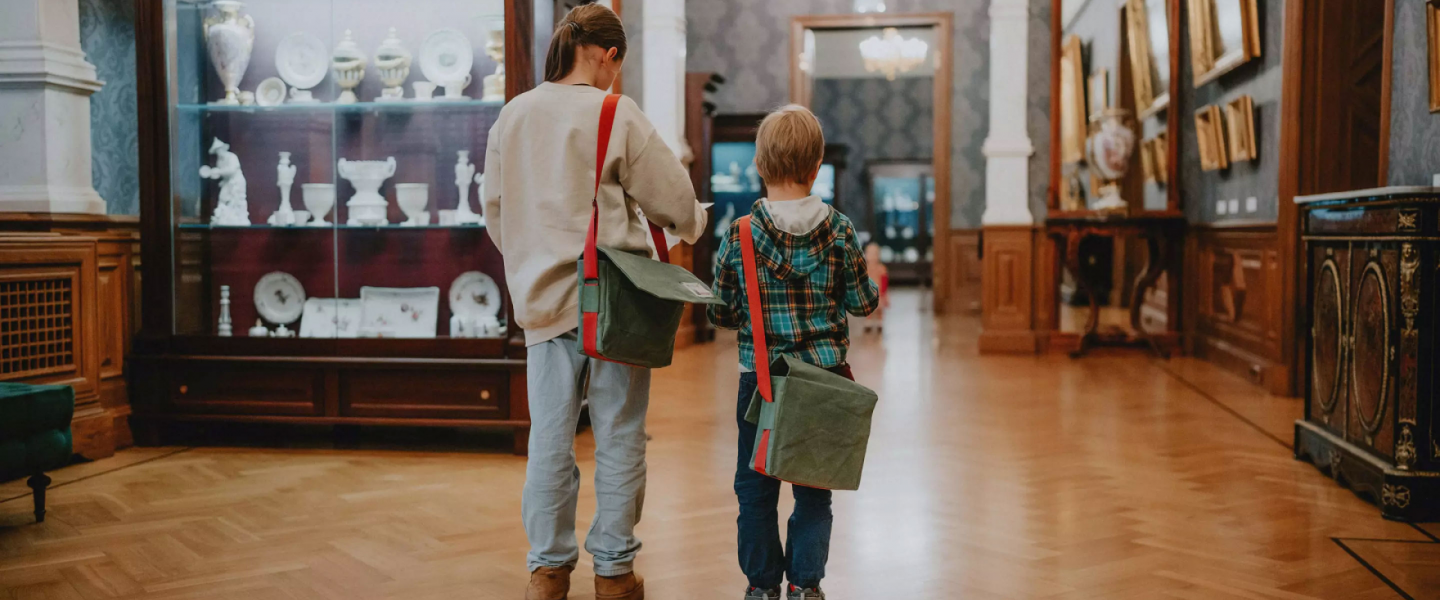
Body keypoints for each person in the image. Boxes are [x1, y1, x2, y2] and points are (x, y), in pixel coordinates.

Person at [481, 5, 707, 600]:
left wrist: (533, 260)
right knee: (621, 435)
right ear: (606, 54)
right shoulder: (615, 112)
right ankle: (613, 571)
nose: (615, 76)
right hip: (615, 303)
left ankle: (548, 571)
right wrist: (692, 224)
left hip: (542, 303)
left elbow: (496, 212)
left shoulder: (514, 114)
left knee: (550, 439)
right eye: (616, 64)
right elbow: (675, 201)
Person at [707, 105, 880, 600]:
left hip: (760, 380)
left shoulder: (739, 233)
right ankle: (806, 585)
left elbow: (720, 313)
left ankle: (761, 588)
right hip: (823, 380)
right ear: (817, 164)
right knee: (813, 490)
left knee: (754, 491)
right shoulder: (841, 229)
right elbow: (864, 303)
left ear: (760, 165)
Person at [860, 242, 889, 333]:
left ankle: (880, 322)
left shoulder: (881, 268)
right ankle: (868, 322)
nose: (872, 257)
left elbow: (884, 279)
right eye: (870, 254)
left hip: (879, 291)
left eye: (874, 254)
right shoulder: (865, 268)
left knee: (879, 308)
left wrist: (883, 291)